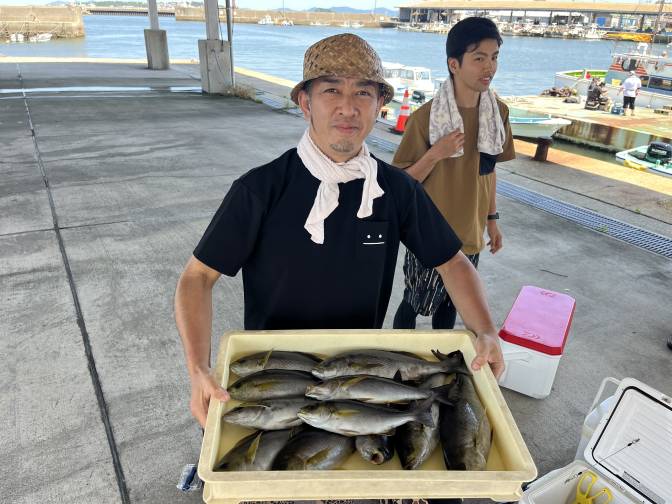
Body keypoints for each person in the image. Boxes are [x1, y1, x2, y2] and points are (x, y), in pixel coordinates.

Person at [174, 33, 505, 428]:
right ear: (305, 103)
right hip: (273, 373)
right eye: (332, 90)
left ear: (379, 106)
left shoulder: (396, 189)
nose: (348, 107)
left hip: (360, 375)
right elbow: (198, 277)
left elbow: (452, 262)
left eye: (363, 93)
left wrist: (486, 331)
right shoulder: (260, 189)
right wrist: (198, 368)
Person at [392, 17, 515, 331]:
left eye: (494, 57)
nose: (489, 67)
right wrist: (436, 153)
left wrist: (492, 220)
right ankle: (397, 354)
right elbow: (402, 184)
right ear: (454, 64)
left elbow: (488, 171)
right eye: (479, 58)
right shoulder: (426, 117)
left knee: (452, 305)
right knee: (414, 301)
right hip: (428, 231)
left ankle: (443, 357)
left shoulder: (497, 113)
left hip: (470, 234)